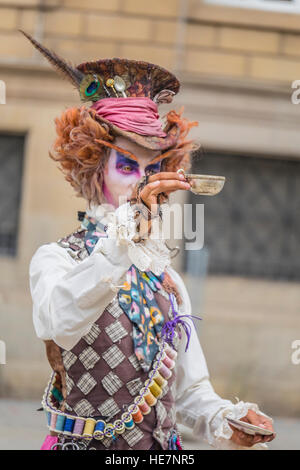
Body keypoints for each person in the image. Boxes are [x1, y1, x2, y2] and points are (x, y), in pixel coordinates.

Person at [22, 30, 275, 451]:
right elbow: (60, 322)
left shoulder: (168, 282)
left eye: (152, 168)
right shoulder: (56, 259)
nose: (142, 181)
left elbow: (189, 395)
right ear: (93, 168)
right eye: (126, 165)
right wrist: (122, 238)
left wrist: (225, 420)